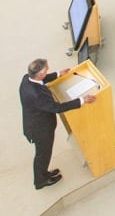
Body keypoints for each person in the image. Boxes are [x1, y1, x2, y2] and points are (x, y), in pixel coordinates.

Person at [19, 58, 96, 189]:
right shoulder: (37, 96)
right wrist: (81, 100)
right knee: (43, 154)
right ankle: (40, 181)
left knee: (44, 153)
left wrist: (58, 74)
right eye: (46, 70)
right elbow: (57, 108)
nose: (48, 70)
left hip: (39, 124)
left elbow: (43, 79)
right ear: (40, 73)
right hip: (40, 130)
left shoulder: (27, 78)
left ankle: (44, 173)